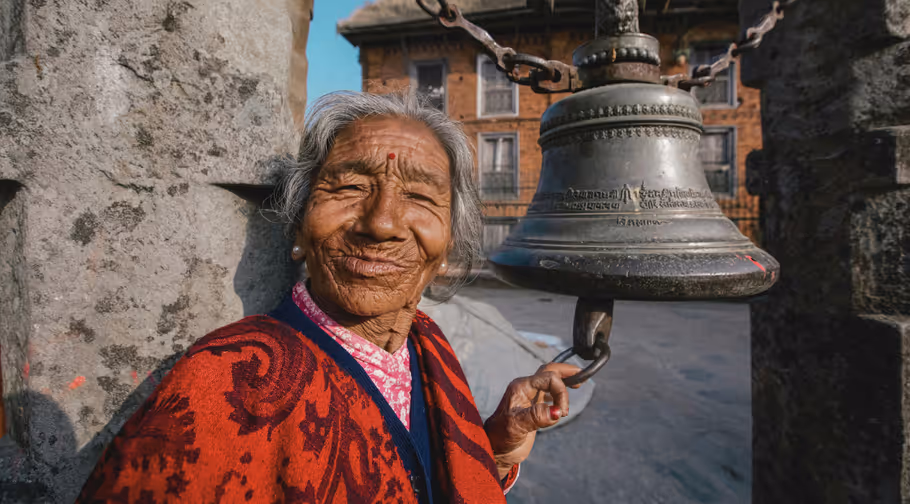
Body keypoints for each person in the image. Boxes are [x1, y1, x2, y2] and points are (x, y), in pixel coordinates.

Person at [77, 91, 582, 503]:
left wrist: (498, 443)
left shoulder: (427, 345)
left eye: (421, 197)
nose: (381, 223)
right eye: (349, 187)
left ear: (448, 247)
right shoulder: (222, 383)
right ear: (299, 226)